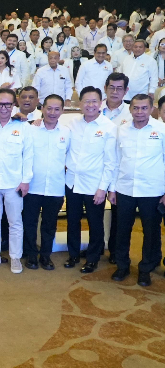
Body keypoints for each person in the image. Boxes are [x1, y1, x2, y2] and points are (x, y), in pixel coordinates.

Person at [109, 94, 165, 287]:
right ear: (130, 109)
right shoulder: (121, 130)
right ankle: (122, 265)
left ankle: (145, 268)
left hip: (152, 190)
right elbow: (115, 161)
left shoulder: (162, 130)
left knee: (151, 231)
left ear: (151, 109)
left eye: (144, 108)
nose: (139, 112)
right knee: (122, 229)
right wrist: (112, 189)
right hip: (124, 189)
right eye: (136, 108)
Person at [64, 86, 117, 273]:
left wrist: (103, 188)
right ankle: (73, 254)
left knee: (95, 224)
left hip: (95, 185)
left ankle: (93, 258)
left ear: (101, 103)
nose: (90, 105)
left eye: (94, 101)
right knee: (72, 221)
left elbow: (111, 162)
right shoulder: (71, 123)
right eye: (86, 101)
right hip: (71, 182)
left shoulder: (109, 127)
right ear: (80, 104)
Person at [0, 88, 33, 274]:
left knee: (15, 222)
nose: (4, 108)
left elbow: (28, 156)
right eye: (0, 104)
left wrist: (26, 181)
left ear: (13, 105)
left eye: (8, 104)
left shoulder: (23, 127)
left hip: (14, 183)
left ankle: (15, 257)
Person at [22, 95, 70, 271]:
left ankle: (46, 256)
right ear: (42, 108)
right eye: (49, 108)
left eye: (57, 109)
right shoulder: (30, 129)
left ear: (62, 111)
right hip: (32, 186)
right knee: (30, 223)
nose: (52, 112)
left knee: (50, 225)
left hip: (55, 187)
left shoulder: (66, 132)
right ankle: (31, 256)